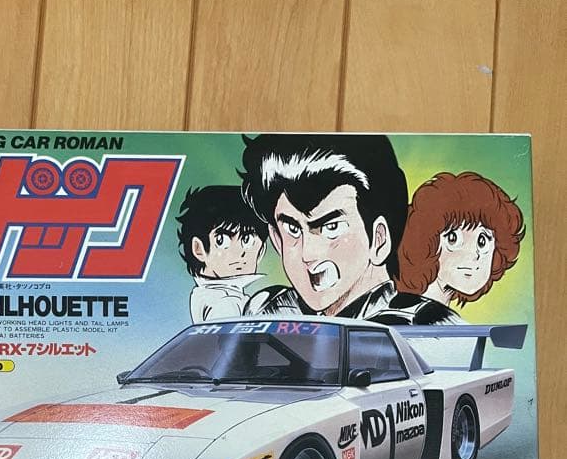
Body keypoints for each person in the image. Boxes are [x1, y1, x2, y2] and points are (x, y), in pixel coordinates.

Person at [239, 133, 408, 318]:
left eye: (332, 227)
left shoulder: (417, 322)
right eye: (293, 230)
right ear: (277, 239)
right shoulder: (270, 310)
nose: (308, 254)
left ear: (379, 239)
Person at [385, 171, 526, 323]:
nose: (473, 255)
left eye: (482, 241)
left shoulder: (443, 319)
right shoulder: (408, 319)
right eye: (453, 238)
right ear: (425, 244)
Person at [176, 185, 267, 322]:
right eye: (221, 240)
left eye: (247, 240)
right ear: (198, 249)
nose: (239, 253)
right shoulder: (225, 302)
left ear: (261, 250)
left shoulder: (207, 294)